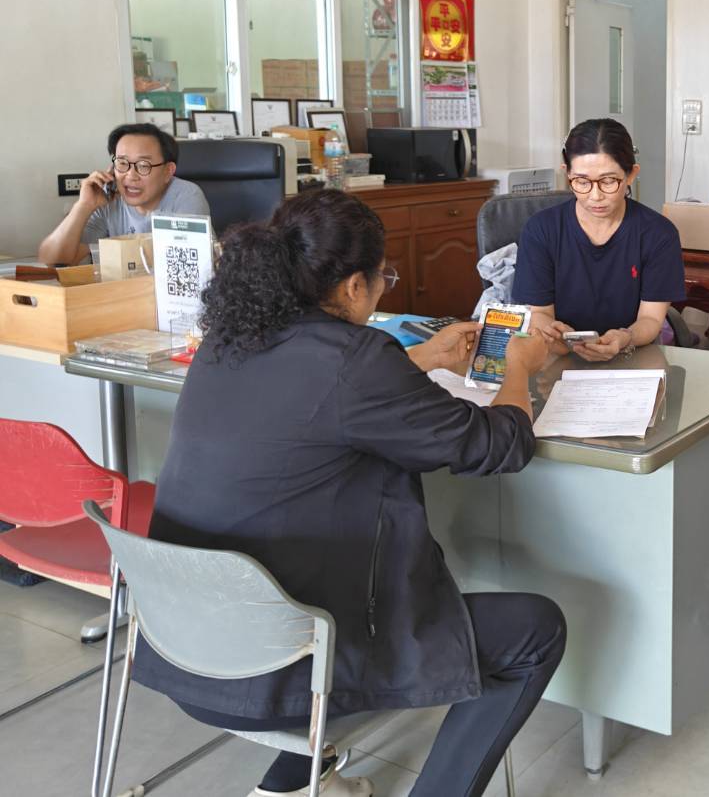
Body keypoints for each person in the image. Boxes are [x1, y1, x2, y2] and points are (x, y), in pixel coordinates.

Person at [132, 189, 563, 797]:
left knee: (298, 568)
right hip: (289, 671)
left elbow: (315, 401)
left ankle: (288, 785)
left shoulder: (228, 339)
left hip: (187, 647)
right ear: (355, 285)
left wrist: (419, 358)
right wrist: (519, 365)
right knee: (536, 629)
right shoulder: (356, 359)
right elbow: (498, 445)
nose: (383, 289)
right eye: (384, 278)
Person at [513, 118, 685, 363]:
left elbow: (650, 319)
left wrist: (625, 337)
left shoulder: (658, 234)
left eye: (608, 181)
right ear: (567, 173)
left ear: (631, 174)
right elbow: (539, 312)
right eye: (582, 182)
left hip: (631, 356)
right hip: (557, 357)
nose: (595, 196)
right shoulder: (541, 230)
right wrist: (555, 334)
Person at [38, 122, 210, 265]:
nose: (130, 175)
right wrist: (83, 206)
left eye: (143, 165)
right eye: (122, 163)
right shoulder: (106, 198)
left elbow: (187, 266)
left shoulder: (186, 197)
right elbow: (54, 260)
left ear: (168, 171)